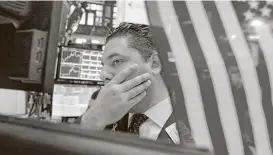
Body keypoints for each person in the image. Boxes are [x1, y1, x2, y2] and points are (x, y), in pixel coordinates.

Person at [79, 22, 194, 145]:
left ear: (154, 63)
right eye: (103, 66)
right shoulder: (101, 104)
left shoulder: (199, 127)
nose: (103, 75)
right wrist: (93, 120)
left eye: (116, 61)